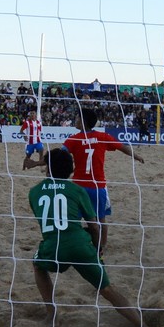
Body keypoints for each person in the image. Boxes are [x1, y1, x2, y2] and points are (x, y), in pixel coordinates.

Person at [28, 147, 143, 327]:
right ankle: (142, 326)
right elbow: (94, 226)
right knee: (107, 290)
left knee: (37, 266)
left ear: (48, 168)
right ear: (70, 170)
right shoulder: (77, 190)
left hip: (53, 247)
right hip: (80, 246)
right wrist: (97, 250)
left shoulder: (34, 192)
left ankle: (52, 314)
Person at [62, 104, 145, 256]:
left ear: (83, 121)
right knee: (101, 219)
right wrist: (137, 156)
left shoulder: (73, 139)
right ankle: (102, 246)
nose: (75, 120)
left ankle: (75, 244)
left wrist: (44, 165)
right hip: (97, 185)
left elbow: (60, 155)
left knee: (73, 219)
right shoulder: (102, 137)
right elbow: (122, 147)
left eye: (77, 118)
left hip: (78, 186)